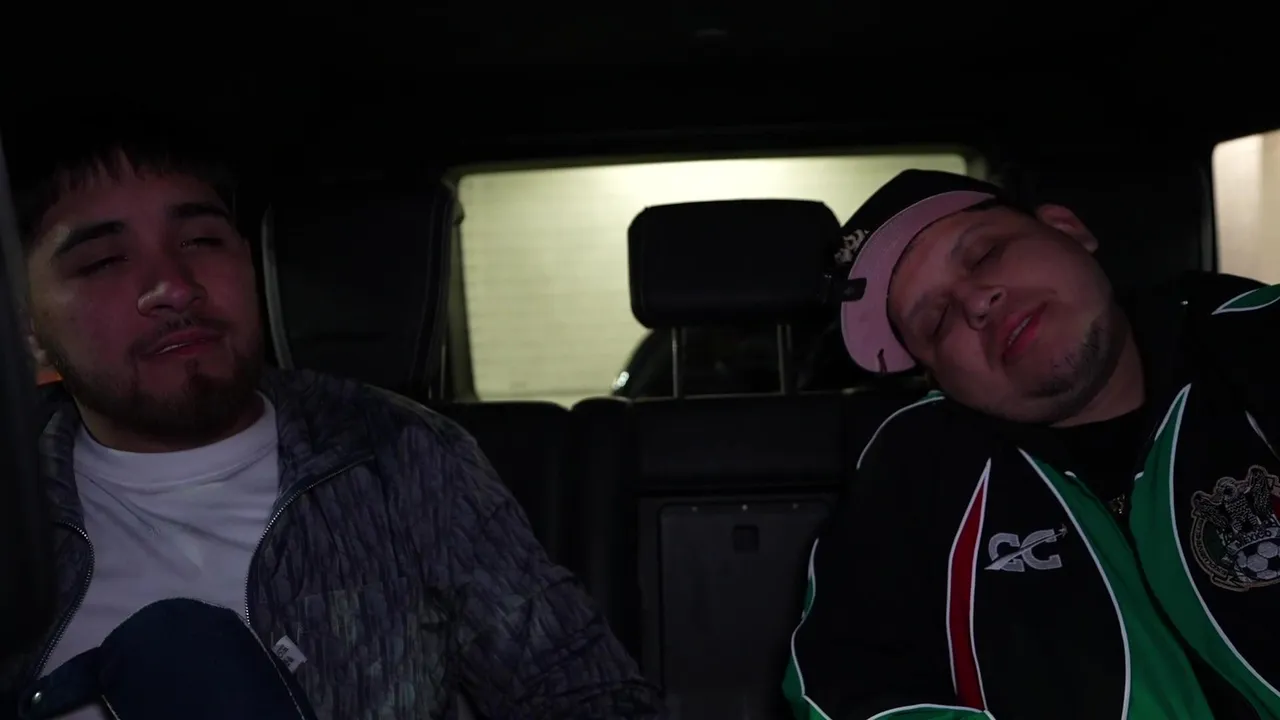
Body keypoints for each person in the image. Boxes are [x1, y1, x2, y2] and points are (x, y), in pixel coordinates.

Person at [0, 129, 664, 719]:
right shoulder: (15, 501)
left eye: (201, 241)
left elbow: (589, 696)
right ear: (26, 326)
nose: (174, 286)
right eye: (104, 261)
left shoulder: (401, 456)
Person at [782, 169, 1280, 720]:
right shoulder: (916, 470)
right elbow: (848, 686)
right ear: (939, 378)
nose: (976, 301)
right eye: (936, 320)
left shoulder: (1257, 341)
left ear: (1068, 229)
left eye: (985, 254)